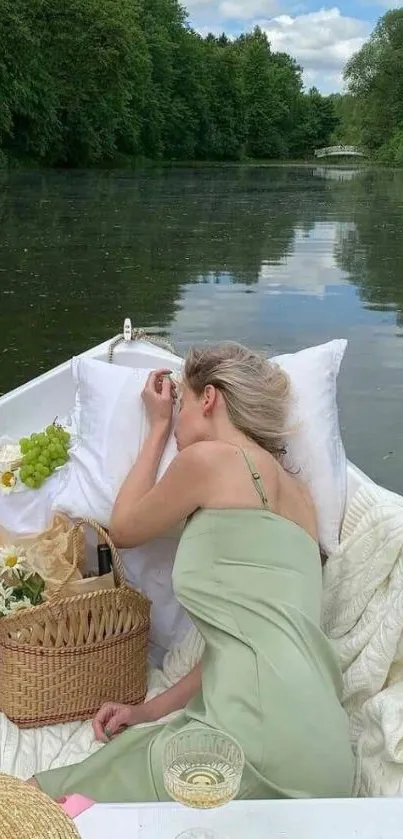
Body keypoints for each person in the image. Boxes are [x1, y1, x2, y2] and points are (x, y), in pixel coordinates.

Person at [33, 342, 355, 801]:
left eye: (182, 401)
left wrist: (158, 427)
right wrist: (146, 713)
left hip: (253, 738)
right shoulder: (304, 501)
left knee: (48, 800)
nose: (178, 415)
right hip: (327, 753)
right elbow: (247, 643)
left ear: (209, 399)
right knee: (122, 763)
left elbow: (122, 529)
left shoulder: (211, 460)